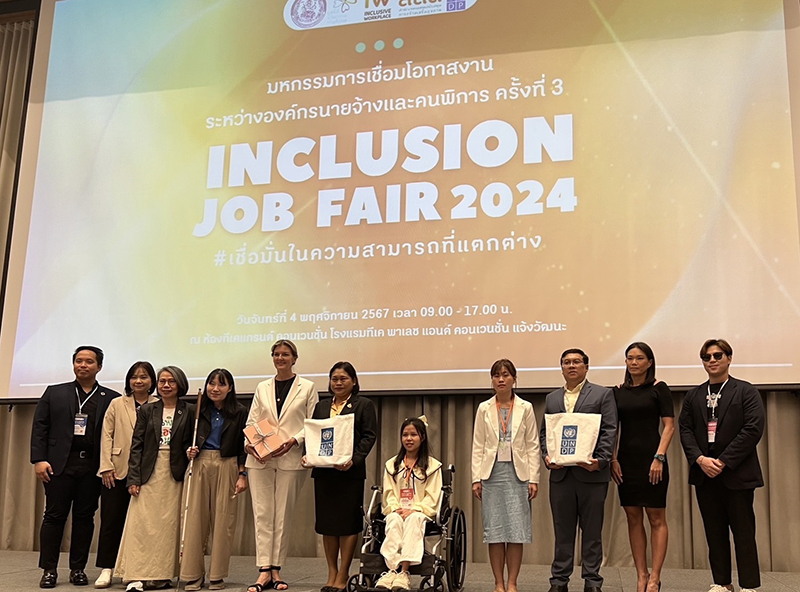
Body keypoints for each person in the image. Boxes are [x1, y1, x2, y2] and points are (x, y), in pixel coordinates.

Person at [30, 346, 121, 589]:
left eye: (89, 361)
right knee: (53, 517)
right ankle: (49, 570)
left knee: (84, 518)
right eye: (79, 361)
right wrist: (38, 459)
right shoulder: (55, 393)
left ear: (99, 367)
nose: (83, 365)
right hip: (59, 465)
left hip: (91, 467)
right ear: (73, 365)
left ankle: (78, 569)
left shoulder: (111, 398)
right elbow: (40, 427)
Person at [679, 339, 765, 592]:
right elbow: (685, 430)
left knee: (743, 533)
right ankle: (721, 583)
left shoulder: (745, 391)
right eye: (707, 357)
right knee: (714, 532)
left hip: (736, 473)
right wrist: (700, 459)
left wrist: (724, 461)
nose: (712, 361)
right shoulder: (694, 395)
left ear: (729, 358)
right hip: (705, 473)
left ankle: (749, 585)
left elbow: (752, 429)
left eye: (718, 355)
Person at [539, 348, 617, 592]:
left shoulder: (603, 394)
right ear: (561, 368)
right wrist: (546, 456)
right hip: (561, 476)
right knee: (563, 532)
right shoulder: (552, 398)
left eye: (576, 362)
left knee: (592, 533)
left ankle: (592, 582)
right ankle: (559, 581)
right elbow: (545, 433)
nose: (571, 366)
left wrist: (601, 460)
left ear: (586, 366)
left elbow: (610, 429)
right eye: (566, 362)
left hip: (592, 474)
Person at [245, 340, 319, 592]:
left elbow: (312, 422)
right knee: (262, 514)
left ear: (294, 358)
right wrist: (251, 446)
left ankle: (277, 569)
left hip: (290, 456)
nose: (280, 358)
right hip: (260, 458)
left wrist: (294, 440)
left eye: (285, 354)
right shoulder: (262, 386)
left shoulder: (307, 387)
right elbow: (253, 420)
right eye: (276, 354)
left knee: (282, 515)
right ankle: (263, 570)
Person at [114, 366, 193, 592]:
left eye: (171, 381)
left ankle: (162, 575)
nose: (166, 385)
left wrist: (189, 452)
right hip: (148, 471)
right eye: (162, 381)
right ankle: (136, 575)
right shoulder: (148, 410)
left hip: (175, 474)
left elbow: (189, 441)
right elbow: (137, 445)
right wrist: (133, 478)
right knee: (142, 524)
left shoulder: (188, 411)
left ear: (180, 385)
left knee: (168, 526)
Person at [306, 361, 378, 592]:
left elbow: (369, 437)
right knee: (328, 525)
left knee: (347, 525)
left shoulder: (364, 405)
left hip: (350, 473)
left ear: (354, 381)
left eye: (343, 378)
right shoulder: (321, 406)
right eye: (334, 379)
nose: (338, 382)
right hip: (324, 473)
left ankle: (344, 572)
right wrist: (308, 456)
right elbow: (314, 435)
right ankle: (332, 572)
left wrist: (354, 460)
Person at [471, 359, 541, 592]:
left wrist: (534, 478)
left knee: (516, 530)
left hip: (517, 474)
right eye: (496, 375)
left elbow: (532, 445)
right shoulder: (484, 408)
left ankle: (512, 583)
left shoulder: (526, 407)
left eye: (505, 375)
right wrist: (476, 478)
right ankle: (498, 583)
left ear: (514, 379)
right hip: (491, 475)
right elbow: (477, 445)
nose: (501, 379)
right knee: (495, 531)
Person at [611, 343, 675, 592]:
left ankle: (655, 577)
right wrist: (614, 459)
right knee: (633, 516)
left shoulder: (660, 388)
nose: (634, 362)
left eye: (639, 358)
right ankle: (641, 574)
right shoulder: (617, 392)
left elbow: (669, 426)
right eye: (629, 358)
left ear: (649, 362)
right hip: (626, 462)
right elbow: (613, 430)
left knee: (656, 517)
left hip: (653, 461)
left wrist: (659, 457)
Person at [182, 369, 249, 591]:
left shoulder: (240, 411)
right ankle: (192, 574)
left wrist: (242, 474)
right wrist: (188, 450)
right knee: (195, 520)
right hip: (200, 463)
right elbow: (183, 439)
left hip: (227, 463)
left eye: (221, 384)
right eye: (211, 383)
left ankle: (217, 574)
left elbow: (242, 445)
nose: (215, 388)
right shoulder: (197, 409)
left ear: (230, 388)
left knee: (223, 522)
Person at [94, 361, 159, 588]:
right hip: (117, 470)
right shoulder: (116, 404)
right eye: (134, 377)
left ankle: (140, 569)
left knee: (144, 524)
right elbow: (106, 436)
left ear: (152, 381)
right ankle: (107, 568)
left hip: (148, 473)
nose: (138, 381)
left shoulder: (159, 404)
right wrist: (106, 467)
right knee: (112, 520)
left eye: (144, 377)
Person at [374, 417, 443, 591]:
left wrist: (415, 509)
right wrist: (395, 508)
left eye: (413, 434)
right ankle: (391, 570)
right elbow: (389, 492)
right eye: (405, 435)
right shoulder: (392, 465)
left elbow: (433, 495)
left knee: (414, 519)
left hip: (421, 511)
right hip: (397, 508)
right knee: (393, 520)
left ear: (422, 437)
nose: (409, 439)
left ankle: (404, 572)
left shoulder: (433, 466)